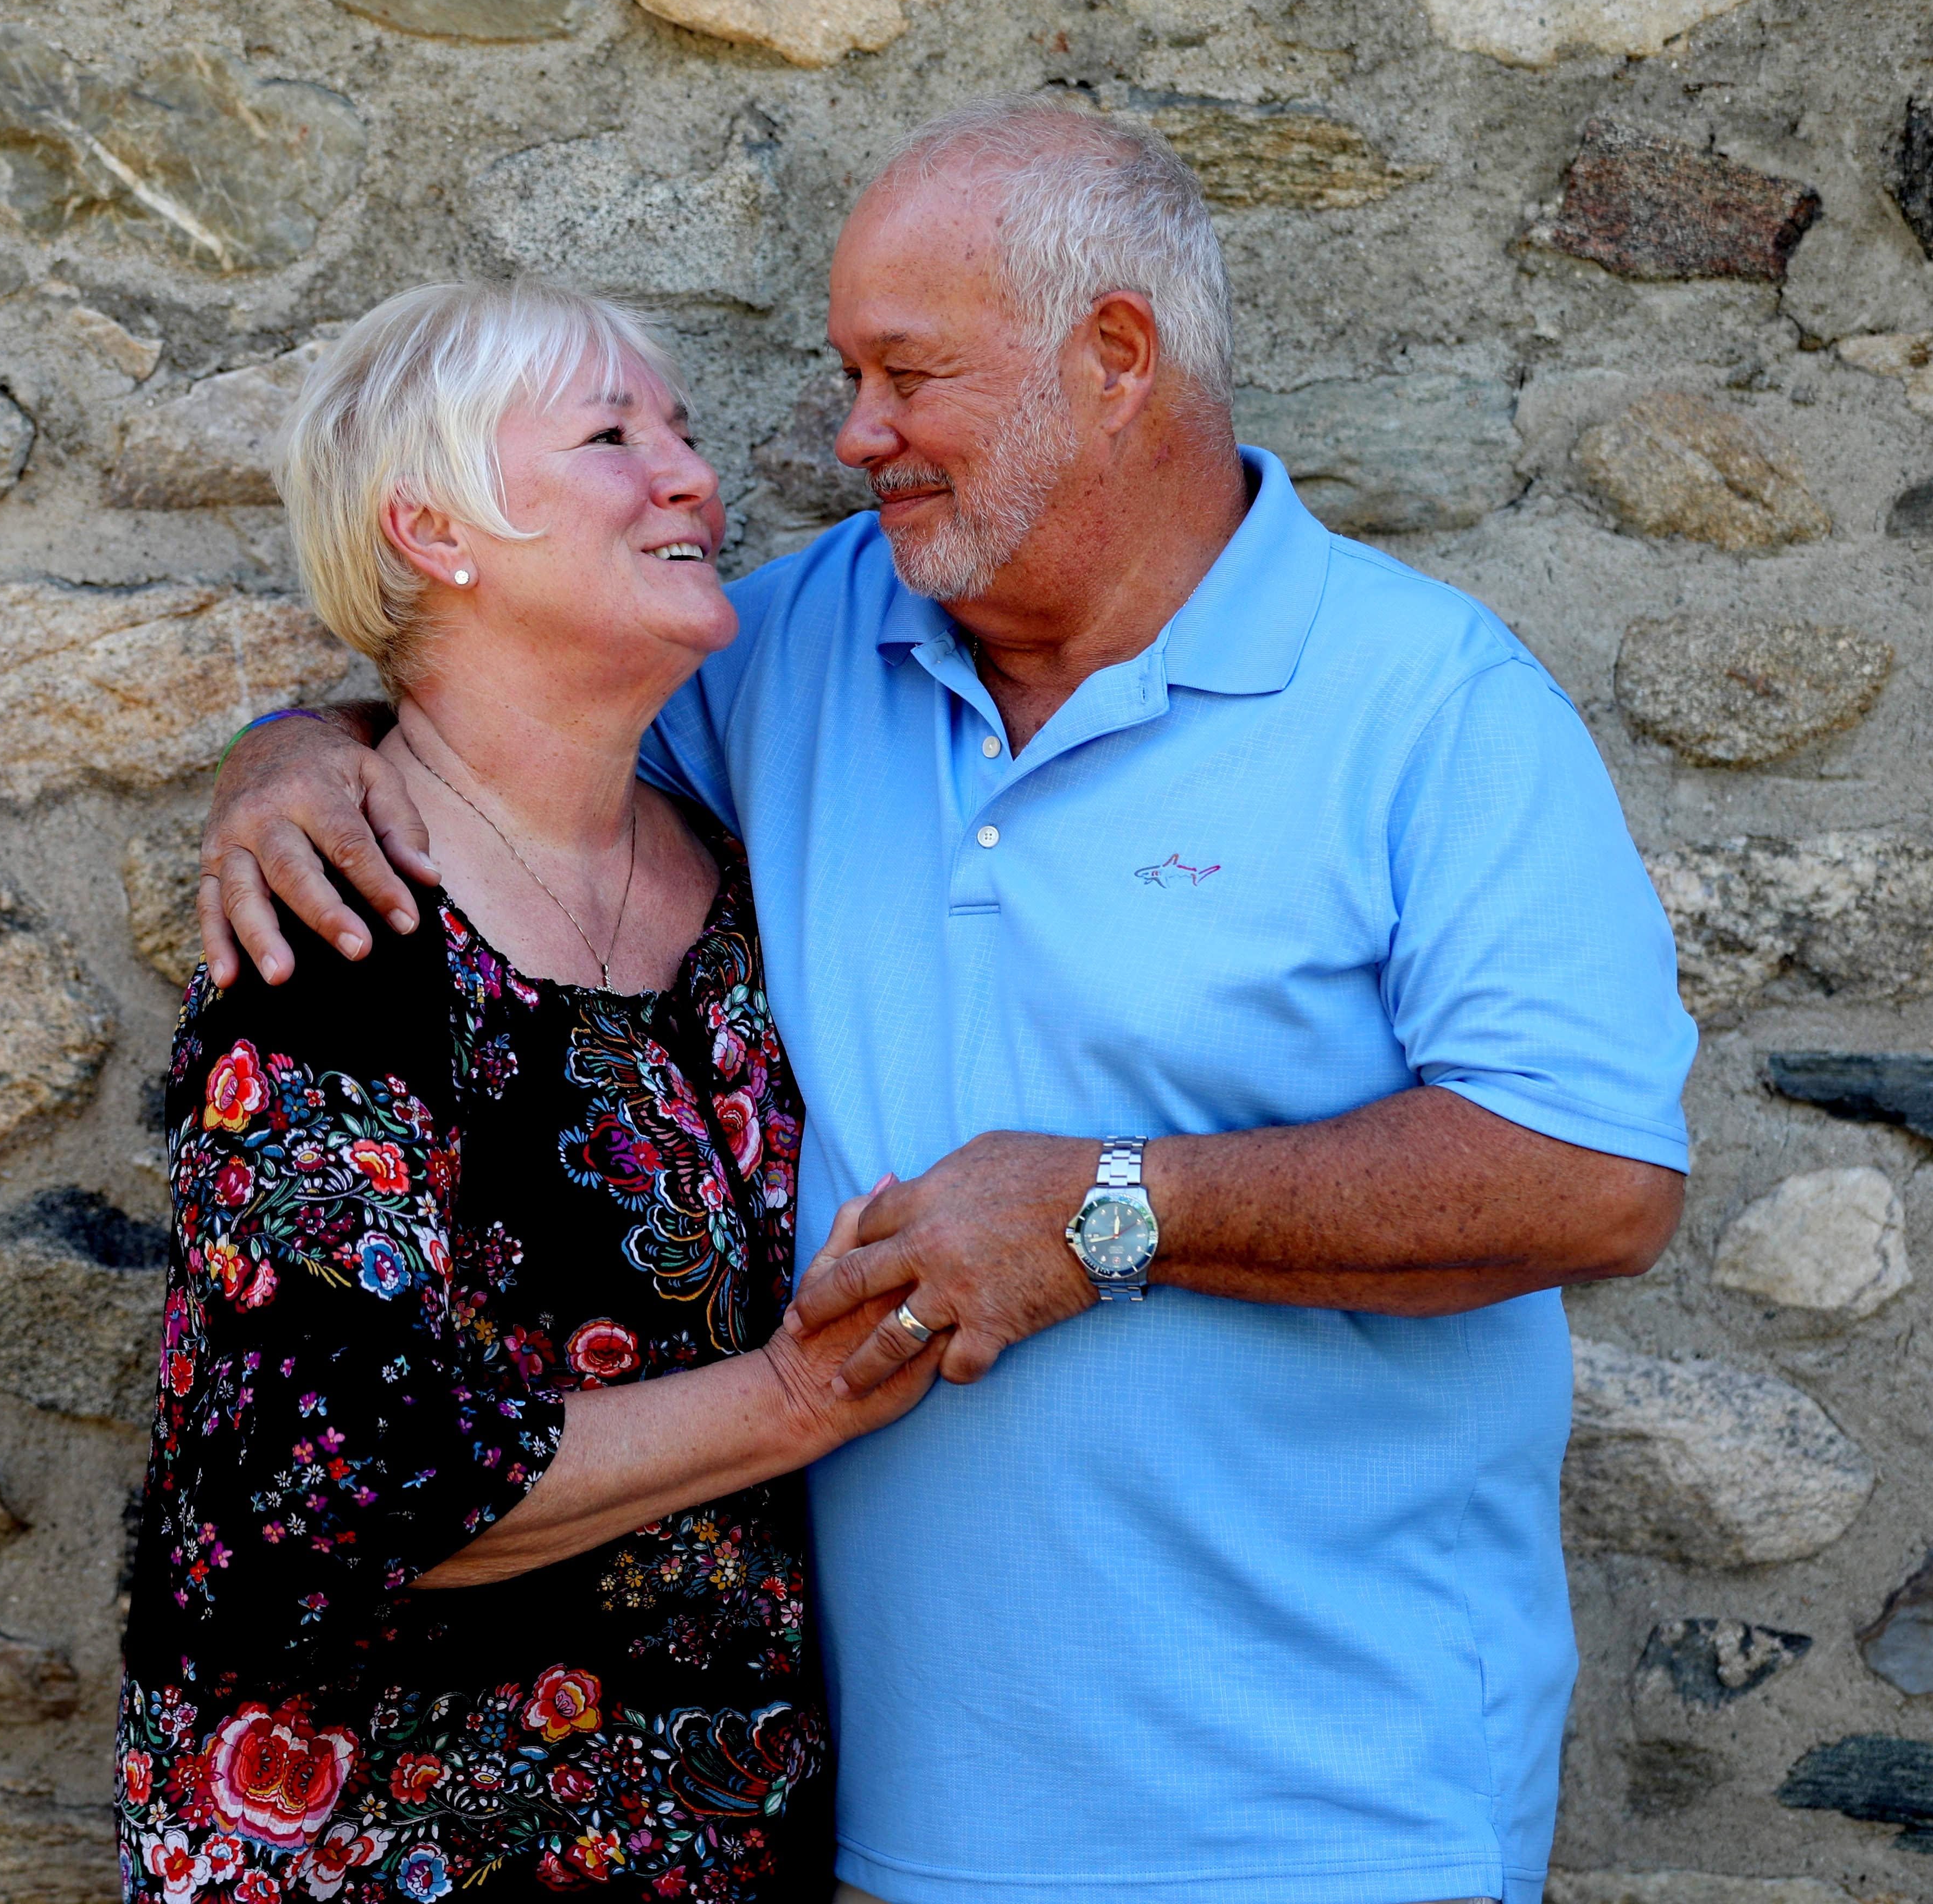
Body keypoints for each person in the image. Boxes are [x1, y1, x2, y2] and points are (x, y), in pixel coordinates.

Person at [196, 98, 1699, 1904]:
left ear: (1115, 357)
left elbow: (1595, 1179)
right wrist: (292, 751)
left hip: (1327, 1816)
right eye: (848, 375)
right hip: (894, 1831)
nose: (852, 438)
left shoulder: (1429, 702)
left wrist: (1115, 1208)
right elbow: (504, 727)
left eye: (908, 375)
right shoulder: (803, 646)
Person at [114, 280, 940, 1904]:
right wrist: (795, 1400)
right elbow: (320, 1475)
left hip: (715, 1834)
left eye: (684, 431)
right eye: (614, 435)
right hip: (382, 1849)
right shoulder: (345, 924)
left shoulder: (741, 887)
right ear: (433, 530)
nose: (694, 474)